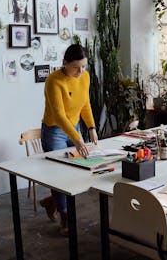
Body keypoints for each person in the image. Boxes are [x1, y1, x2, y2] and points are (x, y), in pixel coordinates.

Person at [39, 44, 98, 236]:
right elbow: (58, 115)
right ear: (65, 63)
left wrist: (91, 127)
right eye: (75, 67)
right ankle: (65, 216)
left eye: (83, 66)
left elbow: (85, 104)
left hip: (75, 128)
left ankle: (52, 201)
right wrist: (78, 139)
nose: (80, 71)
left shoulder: (85, 77)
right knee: (60, 174)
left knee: (79, 168)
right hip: (54, 130)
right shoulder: (53, 81)